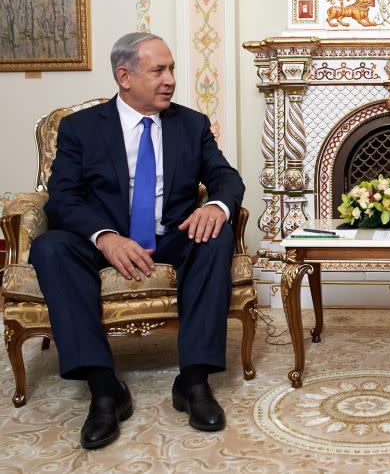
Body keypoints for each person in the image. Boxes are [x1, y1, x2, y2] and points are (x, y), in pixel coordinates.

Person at [29, 32, 245, 449]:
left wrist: (216, 207)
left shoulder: (191, 124)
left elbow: (225, 176)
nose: (170, 80)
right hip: (104, 241)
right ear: (124, 76)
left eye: (172, 69)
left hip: (170, 236)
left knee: (215, 235)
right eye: (158, 70)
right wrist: (106, 237)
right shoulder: (80, 129)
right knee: (50, 247)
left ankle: (194, 382)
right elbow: (63, 198)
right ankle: (105, 389)